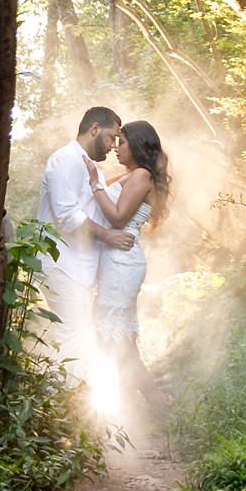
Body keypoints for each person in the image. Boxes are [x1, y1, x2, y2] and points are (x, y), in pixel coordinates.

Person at [87, 119, 170, 407]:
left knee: (114, 339)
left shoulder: (141, 176)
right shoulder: (132, 175)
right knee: (116, 337)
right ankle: (142, 400)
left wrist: (96, 184)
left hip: (122, 262)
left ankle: (156, 400)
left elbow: (118, 217)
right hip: (117, 261)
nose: (115, 148)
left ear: (136, 144)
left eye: (121, 142)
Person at [34, 105, 122, 361]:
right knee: (73, 333)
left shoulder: (89, 166)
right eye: (111, 137)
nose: (113, 146)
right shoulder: (65, 160)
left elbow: (97, 200)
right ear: (95, 128)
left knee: (76, 335)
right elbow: (68, 216)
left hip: (76, 268)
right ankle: (56, 398)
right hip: (61, 264)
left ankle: (62, 394)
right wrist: (108, 236)